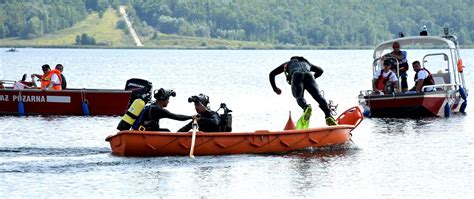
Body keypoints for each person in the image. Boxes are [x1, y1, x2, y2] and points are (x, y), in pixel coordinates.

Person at [269, 56, 337, 126]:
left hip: (296, 75)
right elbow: (320, 71)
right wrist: (312, 79)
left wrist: (275, 88)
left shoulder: (287, 64)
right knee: (319, 96)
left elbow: (271, 74)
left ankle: (306, 107)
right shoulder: (307, 63)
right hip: (309, 75)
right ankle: (328, 116)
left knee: (299, 96)